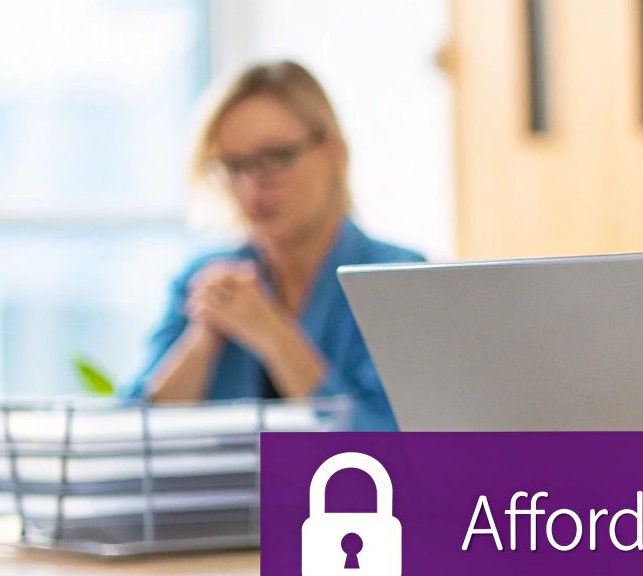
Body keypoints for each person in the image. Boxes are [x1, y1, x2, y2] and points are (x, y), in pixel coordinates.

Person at [126, 61, 423, 430]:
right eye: (234, 166)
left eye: (277, 158)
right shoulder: (204, 279)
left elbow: (397, 444)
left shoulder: (399, 278)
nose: (252, 187)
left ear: (333, 153)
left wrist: (272, 333)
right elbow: (131, 439)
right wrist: (202, 341)